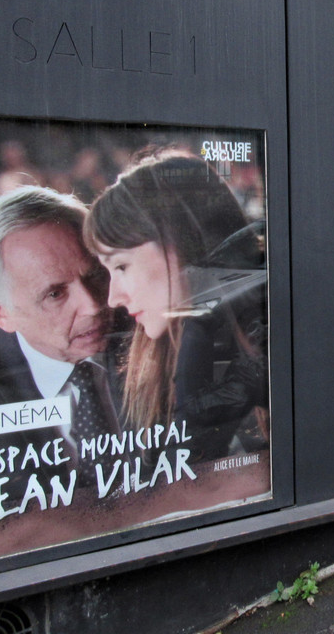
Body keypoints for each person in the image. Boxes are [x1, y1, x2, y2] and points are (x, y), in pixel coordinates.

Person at [0, 186, 121, 512]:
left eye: (95, 276)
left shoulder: (140, 310)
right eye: (55, 294)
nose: (94, 305)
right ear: (1, 312)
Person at [84, 150, 268, 463]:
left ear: (181, 244)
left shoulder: (266, 336)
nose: (113, 297)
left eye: (122, 266)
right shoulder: (142, 362)